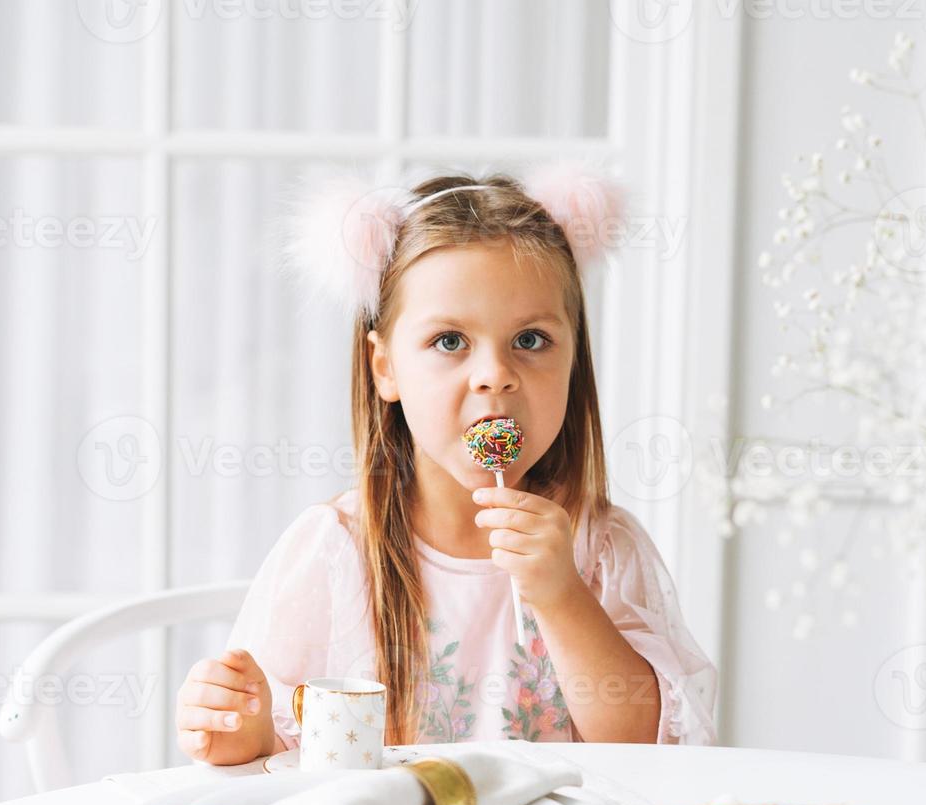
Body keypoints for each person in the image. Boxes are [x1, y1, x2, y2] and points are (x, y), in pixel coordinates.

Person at [175, 165, 717, 766]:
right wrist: (241, 731)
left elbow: (651, 749)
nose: (495, 373)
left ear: (574, 361)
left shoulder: (601, 549)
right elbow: (282, 751)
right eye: (450, 341)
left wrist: (562, 596)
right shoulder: (334, 552)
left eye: (531, 340)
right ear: (385, 368)